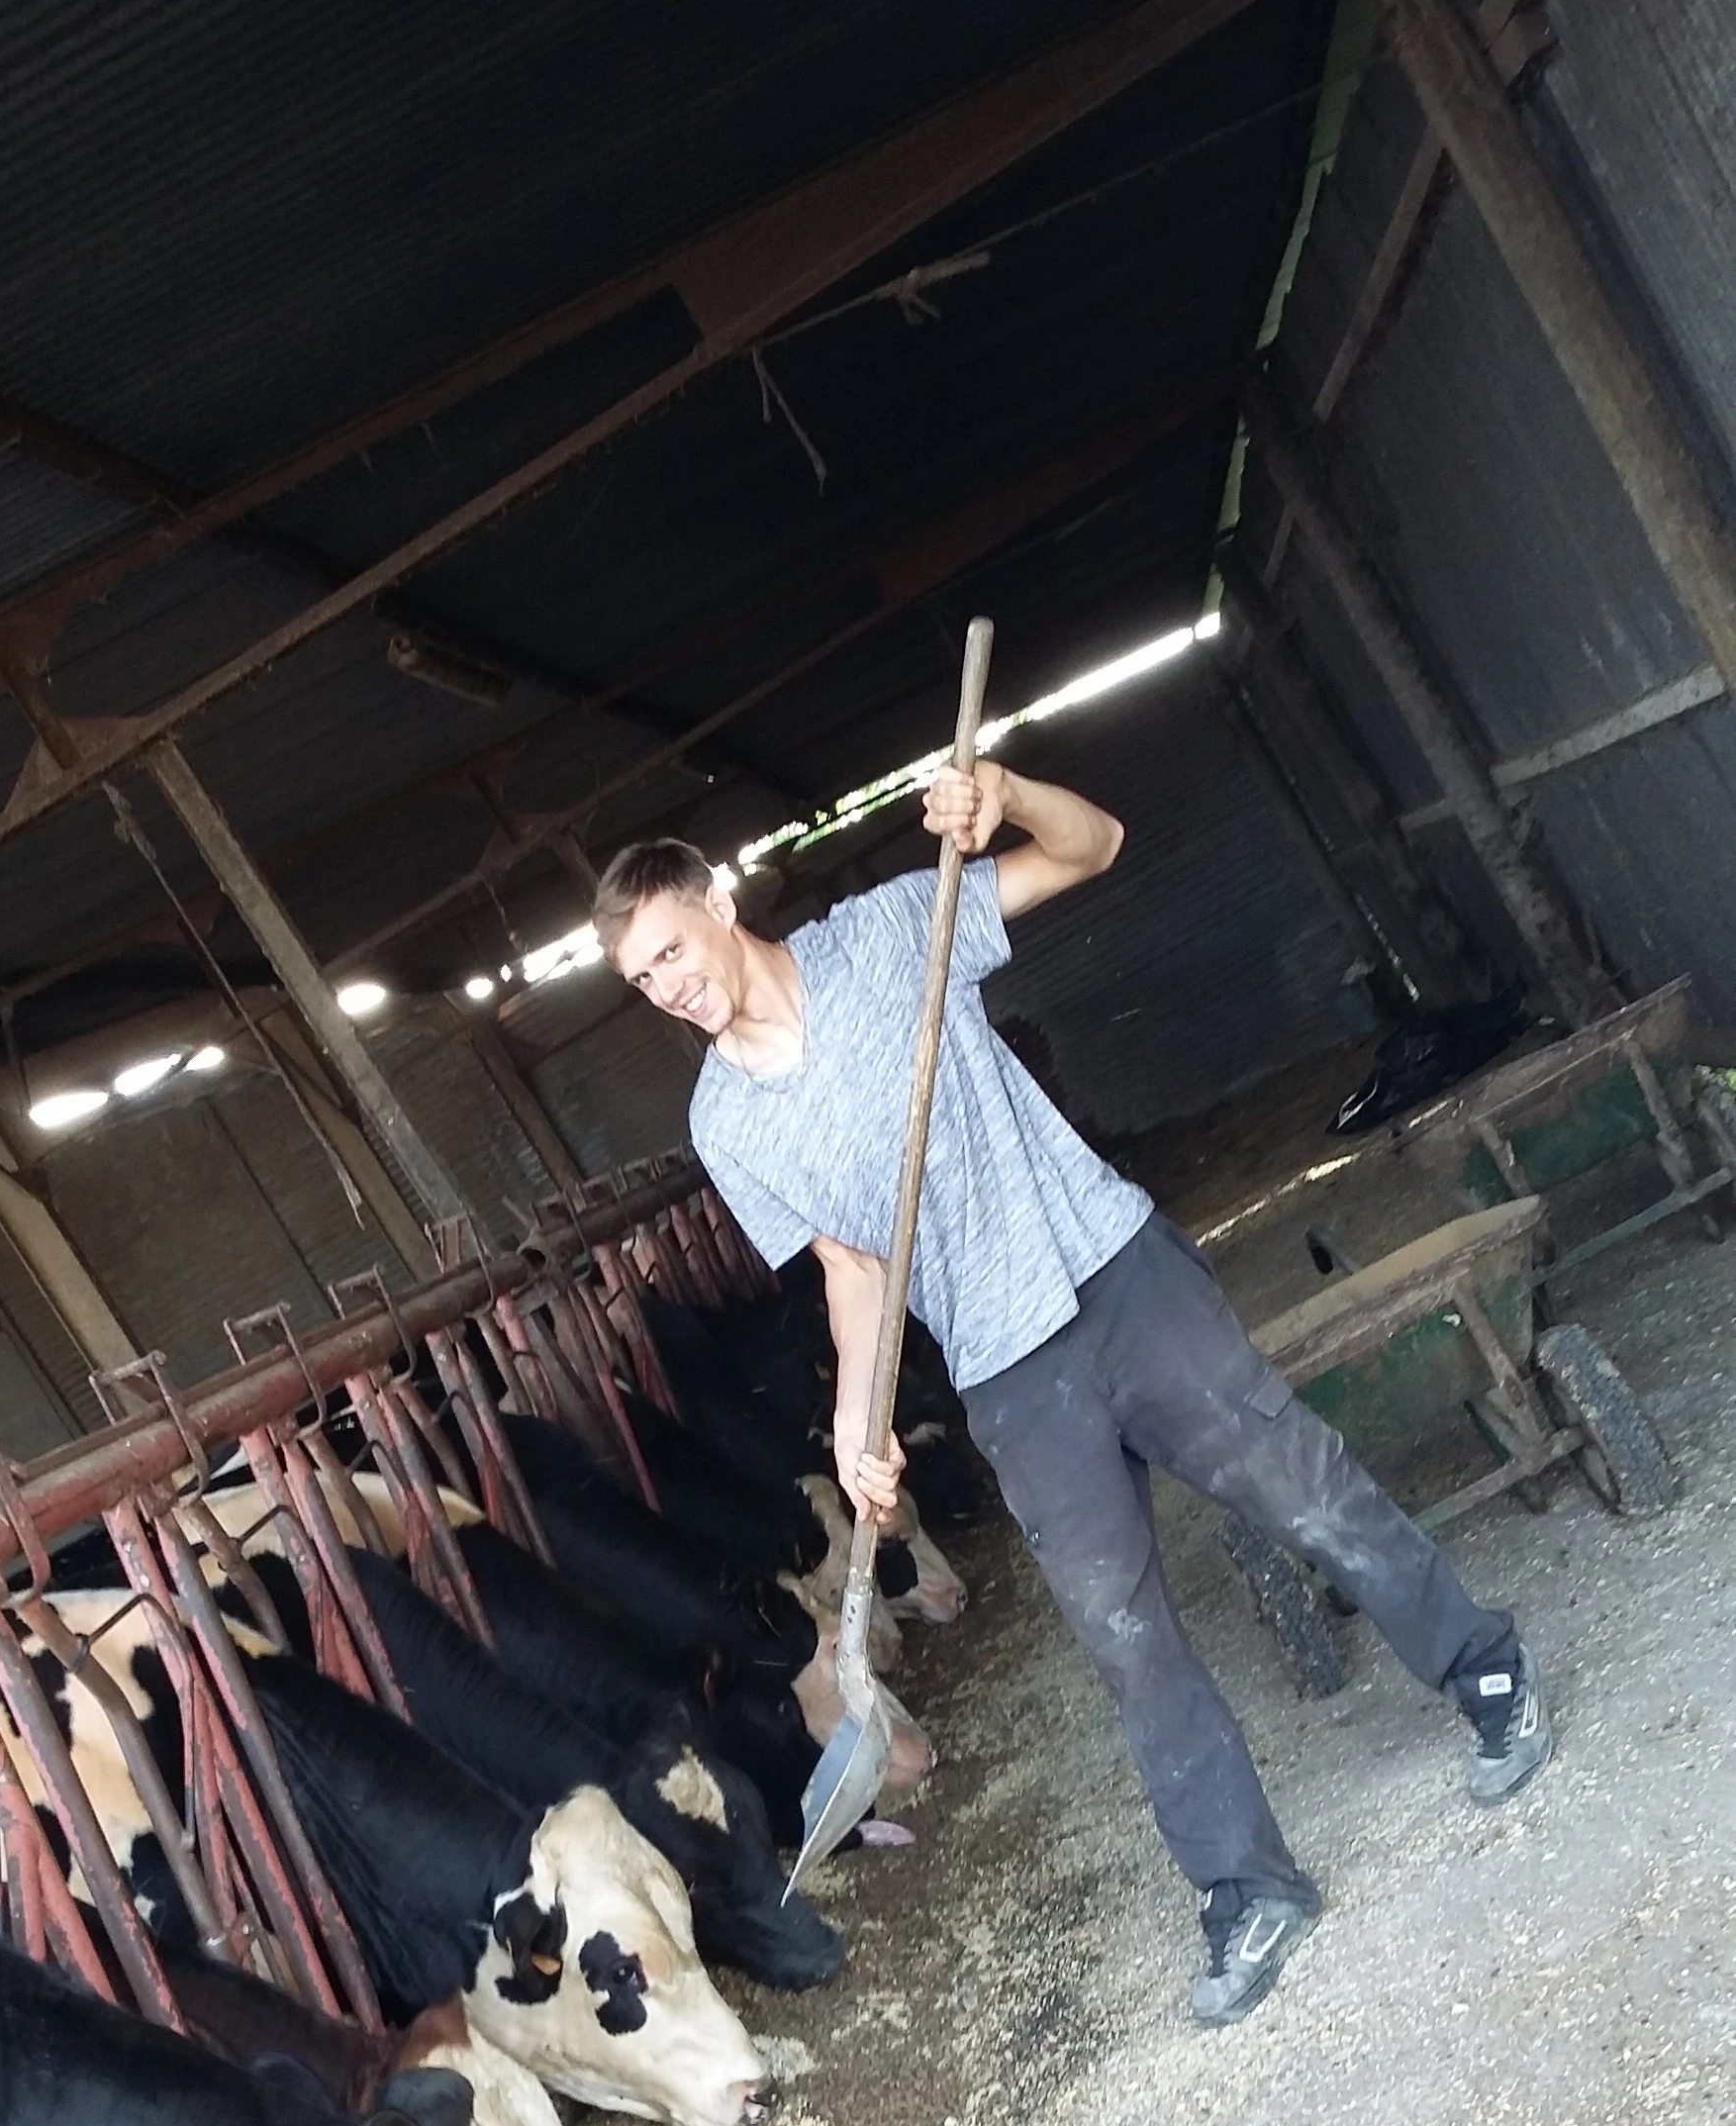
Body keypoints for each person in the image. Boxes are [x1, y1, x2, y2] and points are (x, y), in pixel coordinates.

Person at [593, 756, 1550, 2025]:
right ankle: (1244, 1888)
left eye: (669, 949)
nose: (671, 987)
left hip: (1115, 1276)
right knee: (1123, 1632)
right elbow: (851, 1264)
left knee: (1303, 1489)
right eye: (643, 981)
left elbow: (1093, 844)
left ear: (715, 897)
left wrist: (1007, 796)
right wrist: (852, 1424)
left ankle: (1488, 1674)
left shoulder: (890, 933)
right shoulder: (728, 1125)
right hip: (1004, 1369)